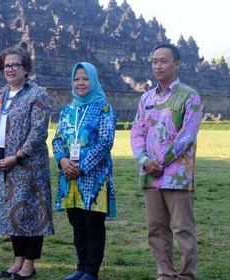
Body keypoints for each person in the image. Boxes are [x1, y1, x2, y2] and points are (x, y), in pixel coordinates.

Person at [130, 44, 204, 280]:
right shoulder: (146, 98)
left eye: (163, 61)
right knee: (156, 228)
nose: (158, 66)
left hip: (177, 175)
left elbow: (187, 135)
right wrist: (144, 160)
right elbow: (137, 132)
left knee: (183, 229)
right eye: (154, 61)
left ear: (177, 64)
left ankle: (186, 276)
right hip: (150, 175)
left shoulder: (189, 96)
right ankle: (165, 274)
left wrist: (159, 162)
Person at [0, 46, 54, 280]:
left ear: (26, 68)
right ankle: (17, 261)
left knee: (30, 212)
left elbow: (38, 131)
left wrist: (19, 155)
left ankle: (29, 264)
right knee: (11, 213)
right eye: (6, 65)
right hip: (1, 163)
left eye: (15, 65)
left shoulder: (37, 94)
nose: (10, 69)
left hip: (28, 165)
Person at [52, 62, 116, 280]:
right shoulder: (67, 110)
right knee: (77, 223)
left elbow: (106, 141)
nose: (80, 83)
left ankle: (91, 271)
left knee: (93, 223)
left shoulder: (104, 108)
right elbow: (57, 139)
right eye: (77, 79)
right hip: (68, 177)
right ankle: (80, 267)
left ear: (94, 81)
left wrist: (82, 166)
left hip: (94, 177)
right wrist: (62, 161)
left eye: (85, 78)